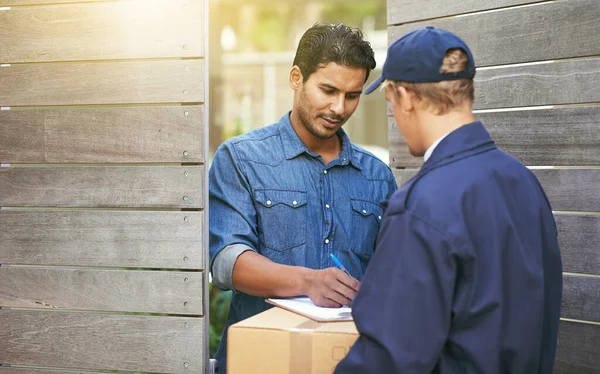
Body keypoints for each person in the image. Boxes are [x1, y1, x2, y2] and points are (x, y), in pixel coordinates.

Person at [335, 26, 563, 374]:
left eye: (390, 100)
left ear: (405, 96)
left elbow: (387, 360)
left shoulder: (419, 205)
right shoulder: (524, 183)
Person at [209, 23, 397, 373]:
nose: (339, 108)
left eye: (352, 95)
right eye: (328, 90)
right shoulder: (240, 158)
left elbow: (392, 278)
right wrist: (308, 282)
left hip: (347, 360)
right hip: (260, 361)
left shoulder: (377, 176)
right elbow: (227, 262)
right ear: (296, 77)